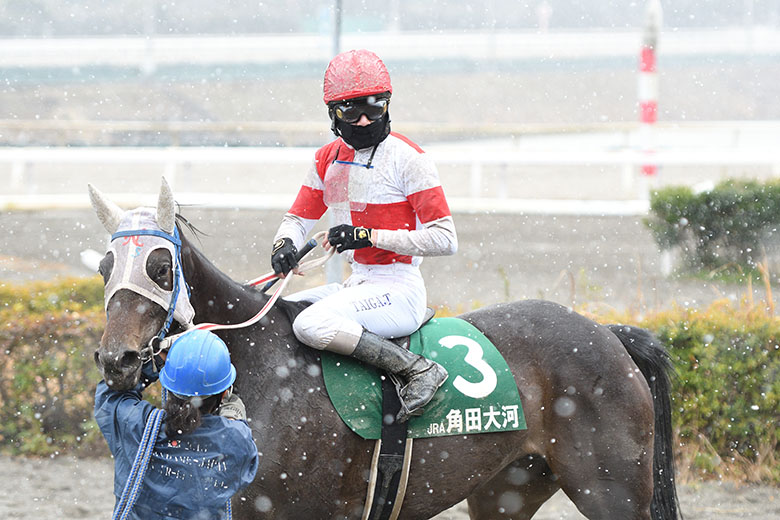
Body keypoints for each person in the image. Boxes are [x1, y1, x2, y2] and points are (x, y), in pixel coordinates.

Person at [271, 49, 458, 422]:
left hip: (399, 289)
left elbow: (445, 239)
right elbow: (296, 218)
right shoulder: (326, 159)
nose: (363, 119)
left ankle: (417, 370)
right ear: (333, 114)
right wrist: (284, 243)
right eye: (351, 111)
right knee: (277, 313)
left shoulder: (410, 159)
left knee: (309, 324)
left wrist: (369, 236)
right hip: (358, 286)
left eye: (375, 108)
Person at [94, 329, 258, 520]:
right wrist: (233, 415)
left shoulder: (136, 425)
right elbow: (246, 462)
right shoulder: (235, 440)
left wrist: (153, 363)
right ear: (223, 394)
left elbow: (110, 395)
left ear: (168, 386)